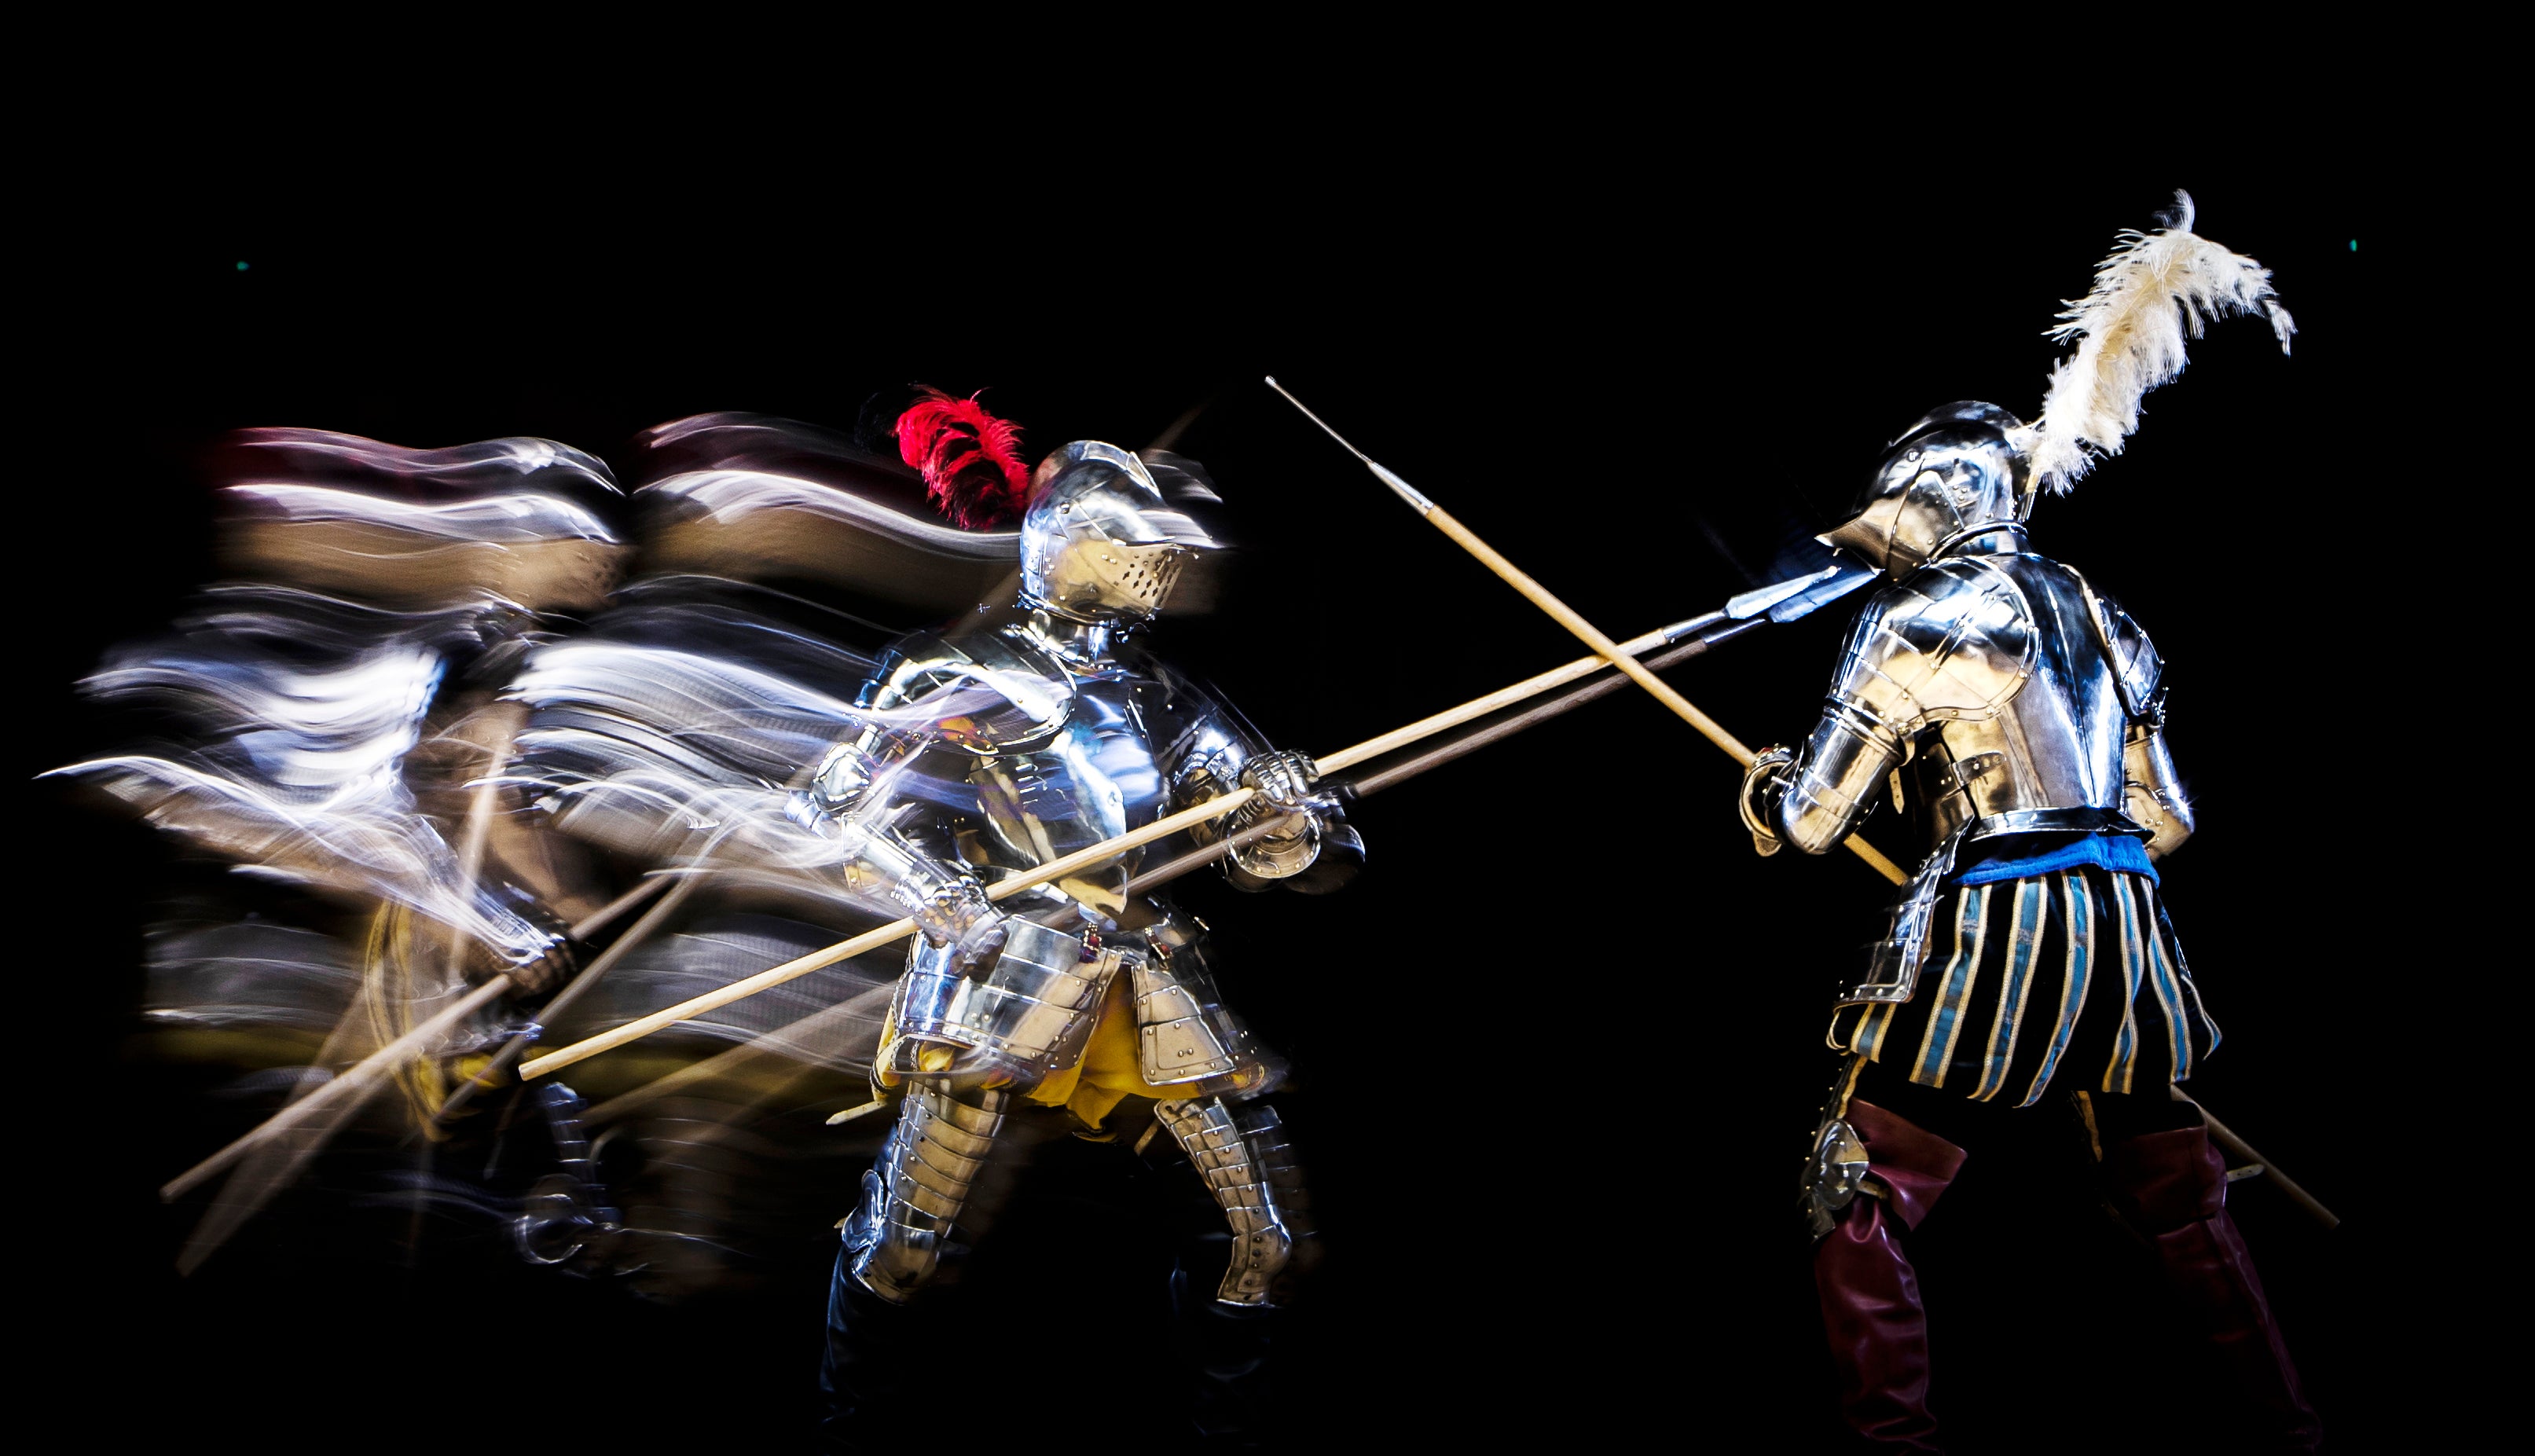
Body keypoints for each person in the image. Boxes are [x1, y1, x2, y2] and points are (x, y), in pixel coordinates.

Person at [1737, 197, 2318, 1451]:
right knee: (2179, 1194)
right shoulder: (2106, 613)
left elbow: (1813, 824)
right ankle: (2291, 1434)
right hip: (2128, 917)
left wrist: (1771, 785)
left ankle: (1896, 1454)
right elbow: (2169, 821)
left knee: (1859, 1185)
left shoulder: (1913, 618)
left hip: (1994, 917)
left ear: (1924, 499)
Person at [803, 413, 1359, 1443]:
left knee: (1262, 1243)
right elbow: (836, 808)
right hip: (999, 972)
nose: (1158, 562)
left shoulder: (1156, 689)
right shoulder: (948, 670)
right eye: (1130, 537)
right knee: (902, 1247)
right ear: (1066, 538)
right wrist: (933, 891)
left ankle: (1229, 1441)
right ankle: (851, 1437)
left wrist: (1283, 813)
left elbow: (1296, 848)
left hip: (1145, 975)